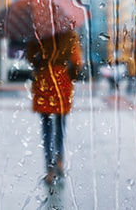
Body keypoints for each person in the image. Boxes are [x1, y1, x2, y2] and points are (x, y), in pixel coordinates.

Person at [26, 30, 82, 185]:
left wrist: (40, 64)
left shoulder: (39, 31)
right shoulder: (69, 33)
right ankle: (59, 161)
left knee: (47, 127)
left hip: (44, 80)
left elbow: (30, 56)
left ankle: (49, 169)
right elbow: (77, 60)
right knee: (60, 125)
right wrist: (71, 74)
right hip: (62, 80)